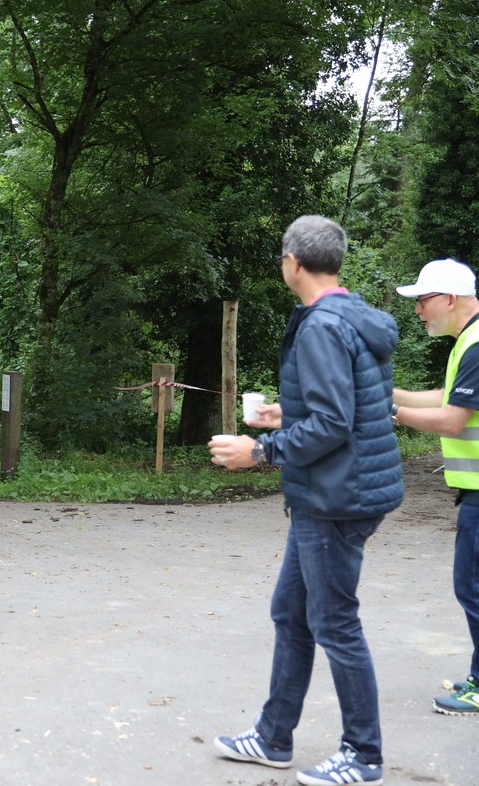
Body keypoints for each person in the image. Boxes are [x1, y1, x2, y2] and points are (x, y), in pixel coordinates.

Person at [208, 215, 403, 786]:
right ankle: (273, 737)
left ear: (292, 263)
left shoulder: (321, 326)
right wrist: (286, 414)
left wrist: (259, 450)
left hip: (335, 495)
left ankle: (363, 754)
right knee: (291, 613)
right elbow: (350, 407)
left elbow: (334, 425)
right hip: (340, 489)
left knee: (334, 623)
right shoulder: (353, 314)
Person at [391, 258, 479, 716]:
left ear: (449, 298)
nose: (418, 310)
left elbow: (450, 419)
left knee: (473, 587)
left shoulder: (476, 344)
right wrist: (384, 391)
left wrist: (389, 413)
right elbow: (446, 399)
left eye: (423, 300)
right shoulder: (468, 341)